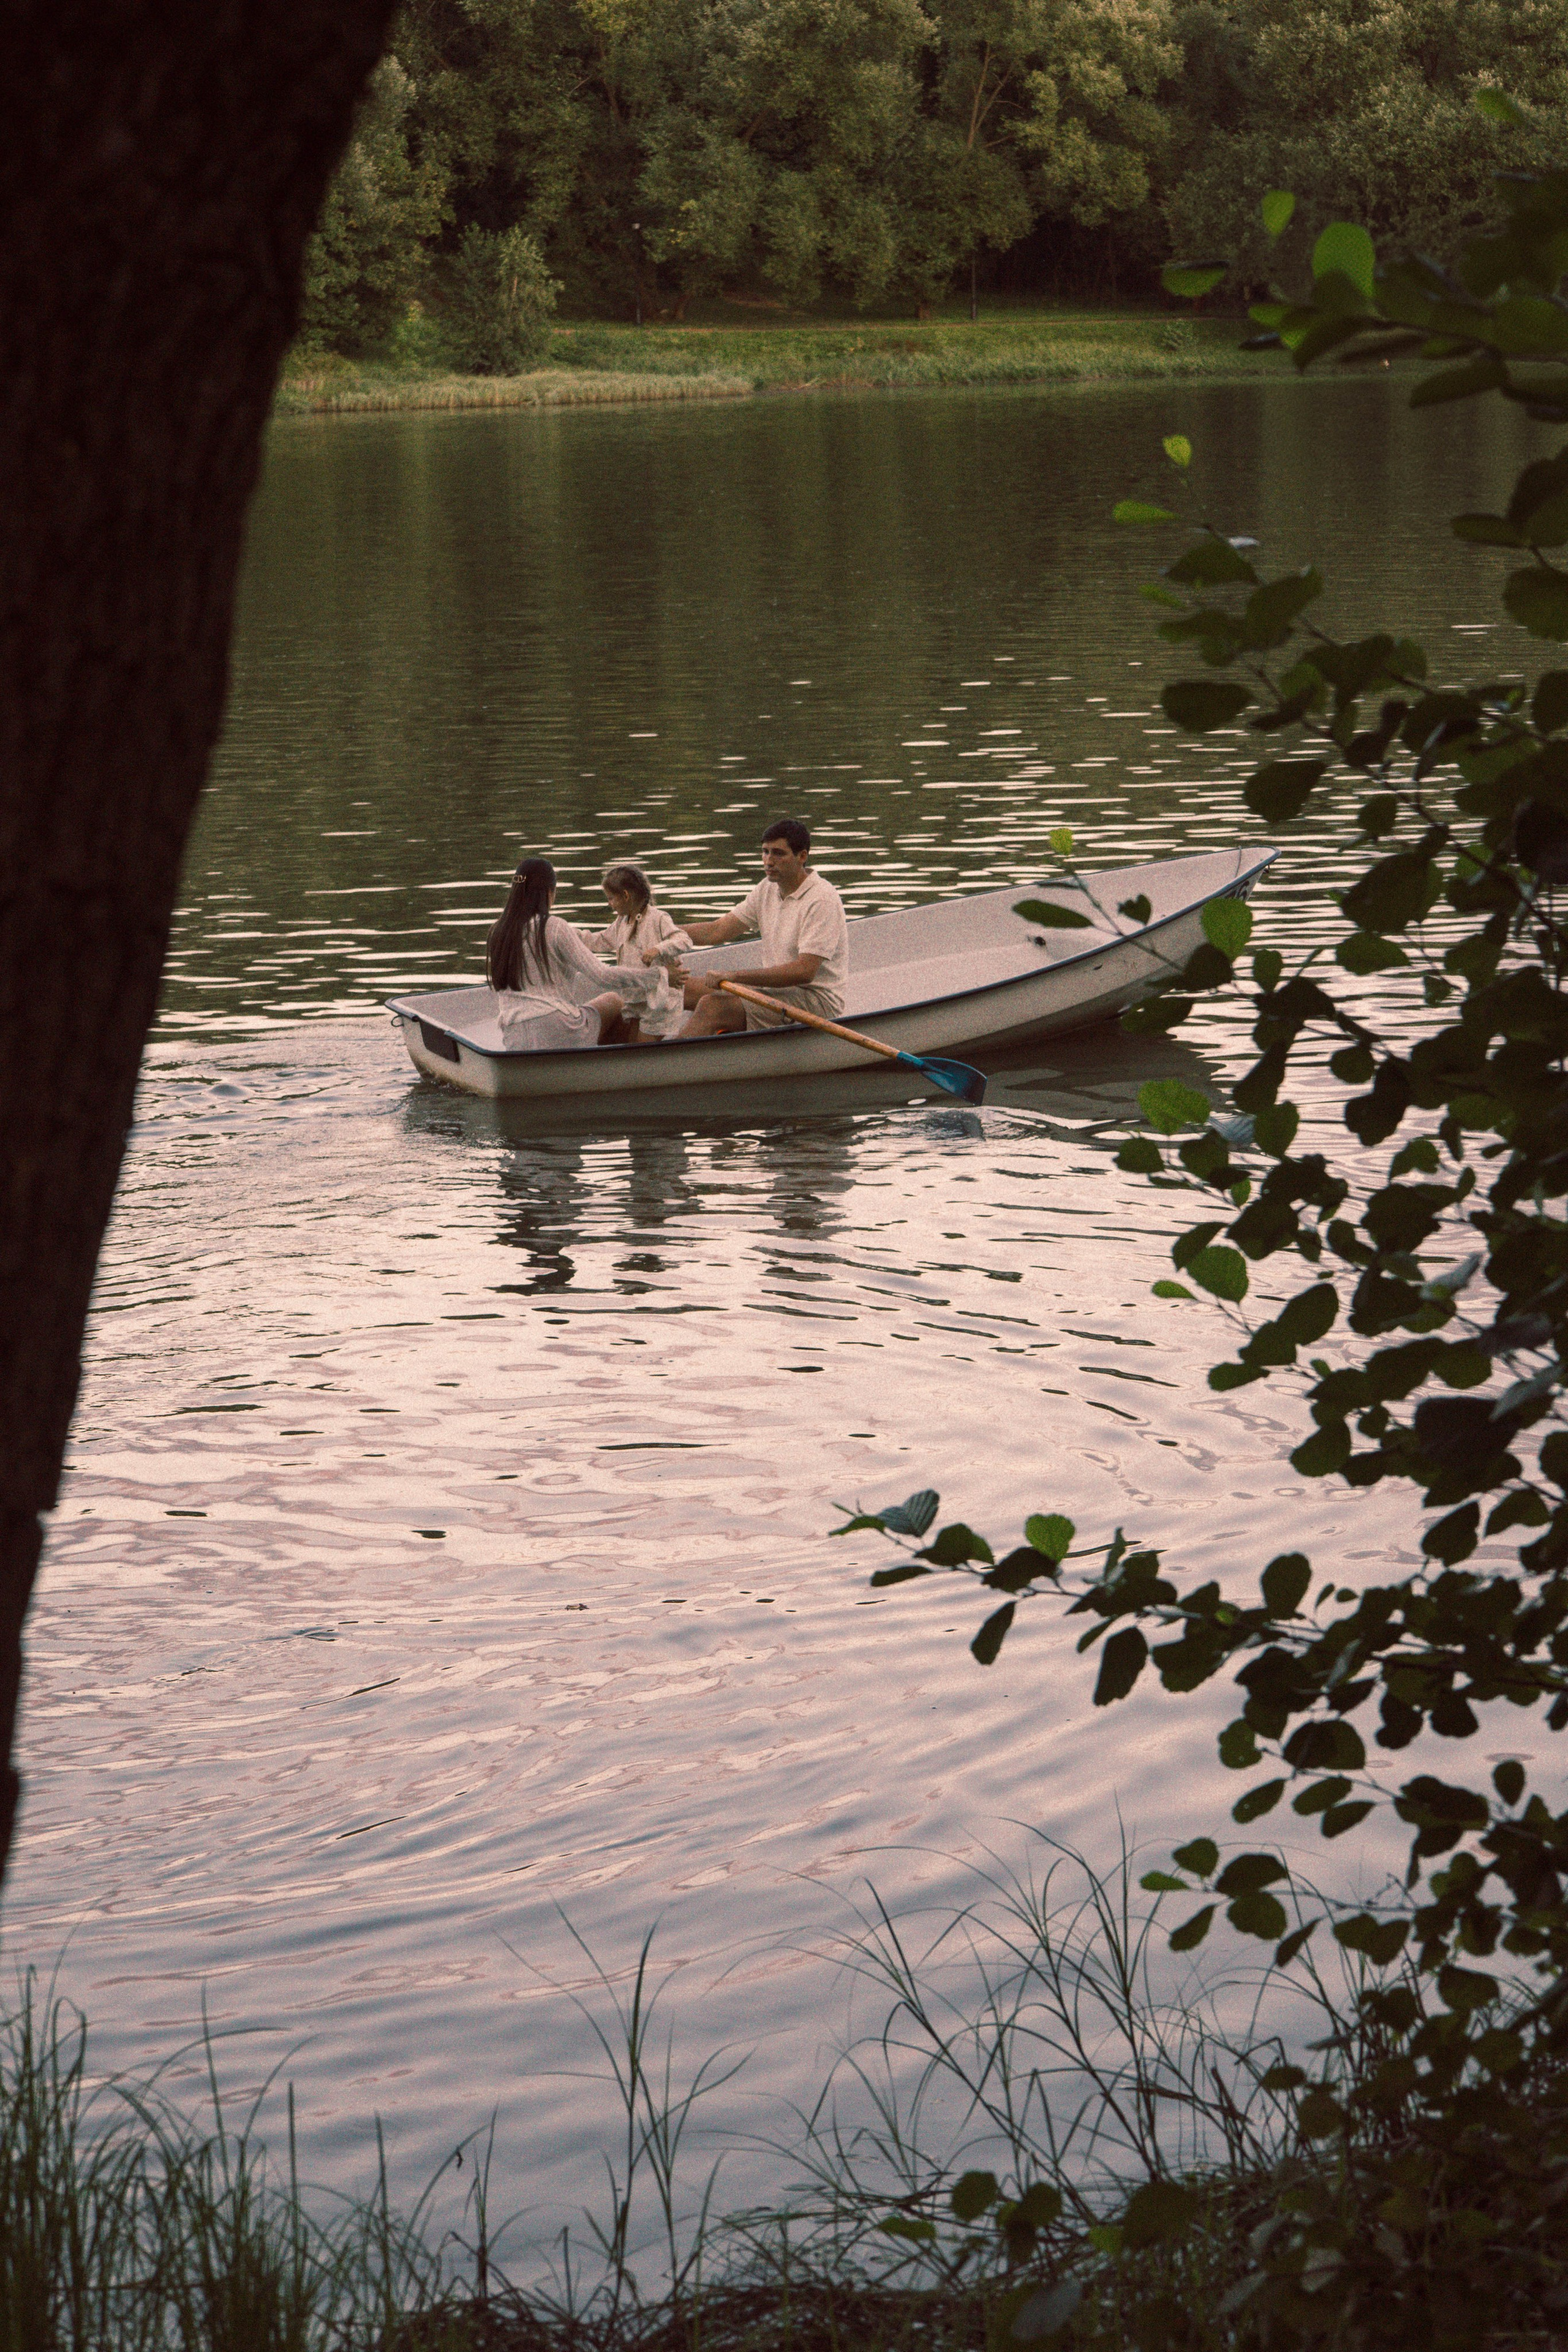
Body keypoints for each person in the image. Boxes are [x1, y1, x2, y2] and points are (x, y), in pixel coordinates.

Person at [673, 819, 848, 1038]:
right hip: (774, 994)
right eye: (765, 852)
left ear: (802, 857)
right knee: (676, 989)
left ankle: (666, 1066)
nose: (769, 861)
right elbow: (716, 931)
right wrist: (662, 930)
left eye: (778, 854)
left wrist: (735, 976)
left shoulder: (821, 899)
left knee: (713, 1005)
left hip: (816, 1002)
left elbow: (804, 972)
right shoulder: (767, 888)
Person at [486, 857, 652, 1049]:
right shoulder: (554, 926)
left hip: (514, 1038)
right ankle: (623, 1065)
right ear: (550, 893)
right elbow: (603, 976)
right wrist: (653, 977)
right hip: (557, 1030)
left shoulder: (498, 932)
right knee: (615, 1001)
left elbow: (588, 944)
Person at [584, 862, 690, 1041]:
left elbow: (684, 940)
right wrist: (570, 935)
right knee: (632, 1045)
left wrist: (658, 949)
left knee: (641, 1050)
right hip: (635, 999)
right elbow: (601, 940)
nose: (610, 904)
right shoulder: (622, 922)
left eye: (611, 898)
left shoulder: (658, 918)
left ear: (625, 896)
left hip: (659, 1002)